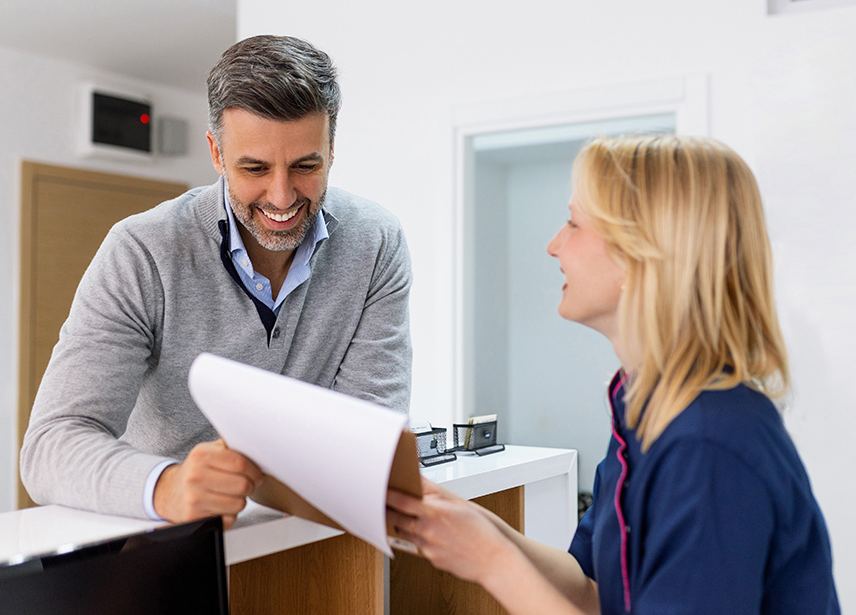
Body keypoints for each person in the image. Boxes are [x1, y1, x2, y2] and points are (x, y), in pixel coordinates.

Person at [387, 135, 839, 614]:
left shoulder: (707, 445)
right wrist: (475, 525)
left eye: (573, 223)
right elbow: (592, 587)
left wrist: (492, 561)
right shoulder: (644, 407)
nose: (553, 245)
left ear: (641, 253)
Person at [21, 35, 412, 529]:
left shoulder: (376, 242)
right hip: (171, 544)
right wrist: (168, 486)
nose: (282, 195)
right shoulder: (141, 251)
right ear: (215, 153)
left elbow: (372, 429)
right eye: (254, 168)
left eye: (305, 166)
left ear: (332, 149)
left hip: (312, 539)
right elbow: (51, 446)